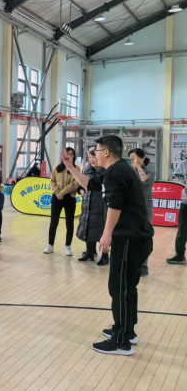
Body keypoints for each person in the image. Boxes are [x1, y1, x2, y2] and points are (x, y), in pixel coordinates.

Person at [62, 135, 154, 355]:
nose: (93, 154)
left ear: (106, 152)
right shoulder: (115, 170)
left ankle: (121, 342)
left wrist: (106, 234)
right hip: (136, 237)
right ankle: (127, 331)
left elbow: (116, 204)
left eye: (96, 150)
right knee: (127, 287)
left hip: (129, 238)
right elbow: (90, 184)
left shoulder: (116, 173)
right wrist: (70, 167)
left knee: (119, 287)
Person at [44, 147, 81, 256]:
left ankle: (67, 246)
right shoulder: (56, 167)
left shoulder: (76, 168)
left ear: (74, 156)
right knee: (53, 222)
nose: (69, 156)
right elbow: (52, 181)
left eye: (71, 154)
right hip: (57, 198)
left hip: (70, 198)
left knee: (69, 223)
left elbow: (75, 183)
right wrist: (57, 193)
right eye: (67, 154)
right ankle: (50, 245)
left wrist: (62, 192)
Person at [76, 145, 106, 263]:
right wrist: (80, 189)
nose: (91, 159)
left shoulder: (105, 170)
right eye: (89, 157)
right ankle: (89, 252)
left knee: (102, 230)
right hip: (88, 203)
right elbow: (81, 183)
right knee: (88, 227)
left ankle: (105, 255)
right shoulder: (87, 169)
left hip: (101, 205)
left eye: (94, 157)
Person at [128, 148, 155, 276]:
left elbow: (146, 181)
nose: (132, 161)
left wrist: (138, 167)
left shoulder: (150, 171)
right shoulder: (130, 171)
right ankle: (133, 264)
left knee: (144, 237)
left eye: (134, 158)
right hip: (132, 207)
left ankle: (143, 266)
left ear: (143, 158)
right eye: (131, 159)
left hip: (145, 208)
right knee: (132, 237)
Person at [167, 159, 187, 265]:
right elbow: (174, 176)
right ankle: (180, 255)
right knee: (182, 231)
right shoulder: (185, 163)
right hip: (186, 203)